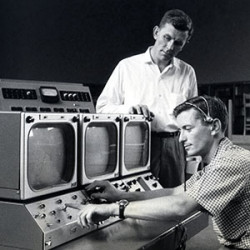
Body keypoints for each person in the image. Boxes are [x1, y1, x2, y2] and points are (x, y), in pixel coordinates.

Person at [75, 96, 250, 250]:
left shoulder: (230, 162)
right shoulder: (220, 159)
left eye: (188, 128)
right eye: (180, 130)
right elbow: (175, 192)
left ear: (214, 126)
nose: (181, 138)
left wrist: (111, 209)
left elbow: (180, 206)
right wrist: (119, 195)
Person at [96, 9, 198, 188]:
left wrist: (193, 159)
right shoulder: (127, 67)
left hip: (174, 148)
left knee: (172, 203)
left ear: (185, 44)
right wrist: (128, 110)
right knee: (134, 202)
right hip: (135, 144)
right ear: (156, 32)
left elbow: (193, 120)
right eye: (167, 37)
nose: (170, 47)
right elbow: (102, 107)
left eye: (178, 43)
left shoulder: (187, 72)